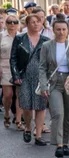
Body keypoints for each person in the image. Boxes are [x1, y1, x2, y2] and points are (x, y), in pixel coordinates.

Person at [37, 18, 69, 158]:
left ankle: (66, 143)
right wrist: (43, 85)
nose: (61, 32)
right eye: (58, 29)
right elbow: (42, 67)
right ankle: (59, 144)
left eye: (63, 29)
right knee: (58, 114)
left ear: (68, 30)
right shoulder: (47, 45)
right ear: (53, 30)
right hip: (54, 82)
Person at [10, 9, 48, 145]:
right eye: (32, 22)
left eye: (38, 21)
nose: (36, 24)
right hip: (24, 75)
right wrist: (15, 75)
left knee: (40, 106)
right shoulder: (20, 38)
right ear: (27, 24)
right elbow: (13, 58)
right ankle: (27, 127)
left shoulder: (46, 40)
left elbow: (50, 61)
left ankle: (38, 135)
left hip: (40, 77)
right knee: (26, 105)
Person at [2, 13, 19, 129]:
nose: (12, 24)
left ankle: (18, 119)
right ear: (6, 24)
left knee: (19, 95)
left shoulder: (22, 36)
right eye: (9, 22)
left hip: (19, 68)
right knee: (8, 95)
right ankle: (7, 112)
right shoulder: (1, 36)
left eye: (15, 22)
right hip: (4, 67)